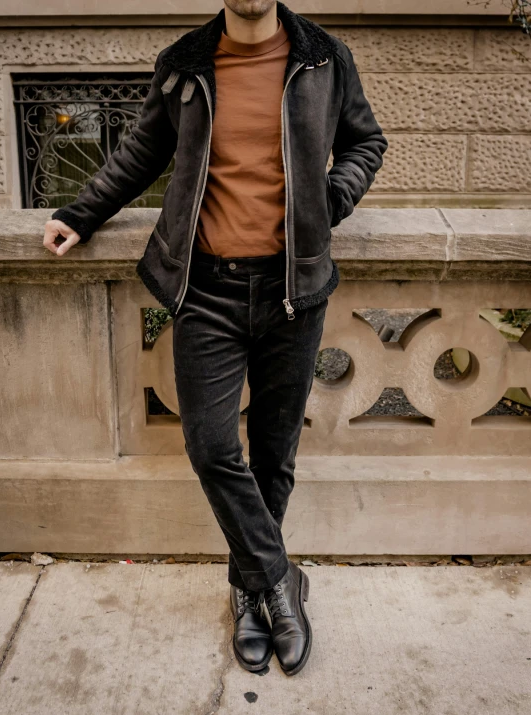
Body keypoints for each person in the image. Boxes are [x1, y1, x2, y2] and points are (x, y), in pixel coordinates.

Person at [43, 0, 387, 676]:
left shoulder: (324, 58)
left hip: (294, 290)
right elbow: (143, 149)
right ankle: (279, 580)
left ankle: (247, 587)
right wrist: (81, 212)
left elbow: (366, 142)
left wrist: (330, 200)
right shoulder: (185, 65)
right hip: (205, 288)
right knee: (209, 446)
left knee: (274, 453)